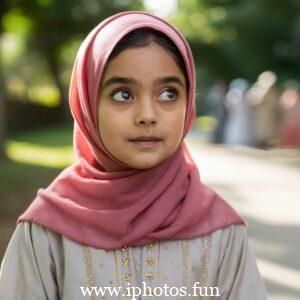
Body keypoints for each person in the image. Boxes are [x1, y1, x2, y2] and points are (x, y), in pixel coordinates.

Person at [0, 11, 267, 299]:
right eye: (122, 94)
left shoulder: (221, 232)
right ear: (88, 104)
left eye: (168, 94)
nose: (147, 116)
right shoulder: (46, 231)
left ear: (188, 103)